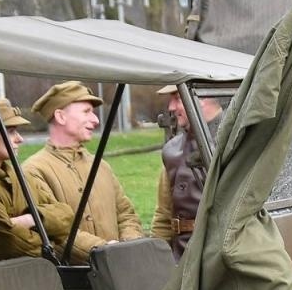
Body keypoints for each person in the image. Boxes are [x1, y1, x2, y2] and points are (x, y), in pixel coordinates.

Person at [21, 81, 143, 264]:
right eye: (86, 112)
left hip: (120, 273)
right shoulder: (34, 170)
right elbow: (51, 230)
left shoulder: (100, 165)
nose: (96, 120)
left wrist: (128, 245)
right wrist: (105, 251)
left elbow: (126, 214)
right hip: (73, 285)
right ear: (61, 116)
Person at [0, 99, 74, 267]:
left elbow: (66, 216)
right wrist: (50, 241)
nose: (20, 139)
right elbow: (8, 245)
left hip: (31, 278)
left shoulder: (20, 175)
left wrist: (31, 219)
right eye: (11, 131)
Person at [150, 84, 223, 258]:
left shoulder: (235, 140)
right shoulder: (172, 151)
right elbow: (164, 214)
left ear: (201, 97)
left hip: (220, 254)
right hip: (180, 255)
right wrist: (158, 258)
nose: (171, 107)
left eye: (177, 98)